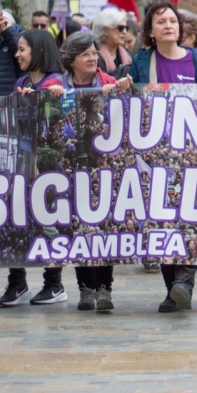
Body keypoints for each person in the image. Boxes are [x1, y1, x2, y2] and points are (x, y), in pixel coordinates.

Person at [128, 2, 197, 312]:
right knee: (163, 221)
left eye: (173, 20)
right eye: (161, 21)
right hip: (154, 156)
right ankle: (172, 289)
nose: (168, 25)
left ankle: (185, 281)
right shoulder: (142, 62)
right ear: (151, 31)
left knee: (189, 219)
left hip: (191, 156)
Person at [45, 33, 131, 312]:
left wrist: (124, 90)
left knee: (103, 228)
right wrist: (50, 97)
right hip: (69, 172)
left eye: (94, 52)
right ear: (70, 61)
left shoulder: (108, 83)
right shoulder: (56, 85)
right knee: (76, 229)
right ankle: (85, 289)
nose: (93, 58)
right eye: (85, 54)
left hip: (103, 169)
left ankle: (105, 288)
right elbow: (40, 111)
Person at [0, 29, 69, 307]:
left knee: (48, 224)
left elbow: (59, 123)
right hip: (20, 166)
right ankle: (17, 282)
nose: (17, 54)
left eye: (22, 49)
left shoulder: (58, 83)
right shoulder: (22, 81)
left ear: (38, 51)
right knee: (16, 222)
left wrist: (45, 99)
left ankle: (54, 283)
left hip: (47, 171)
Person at [91, 7, 132, 76]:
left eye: (126, 28)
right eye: (120, 28)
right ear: (104, 29)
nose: (124, 32)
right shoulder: (94, 56)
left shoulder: (128, 55)